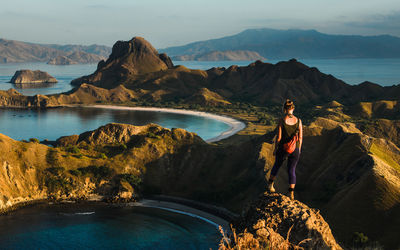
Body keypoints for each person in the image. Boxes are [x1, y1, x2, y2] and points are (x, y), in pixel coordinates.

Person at [267, 99, 303, 200]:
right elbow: (300, 138)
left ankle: (270, 185)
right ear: (293, 108)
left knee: (277, 165)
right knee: (292, 170)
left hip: (283, 148)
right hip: (295, 149)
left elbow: (278, 138)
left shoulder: (282, 121)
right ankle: (291, 193)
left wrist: (275, 149)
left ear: (284, 109)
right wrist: (298, 149)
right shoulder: (299, 121)